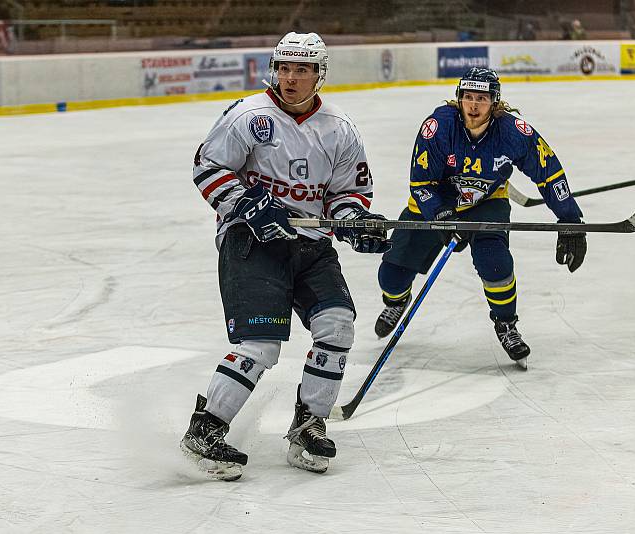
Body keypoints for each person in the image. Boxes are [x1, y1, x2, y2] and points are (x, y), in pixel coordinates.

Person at [182, 31, 390, 481]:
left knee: (337, 325)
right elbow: (207, 167)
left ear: (320, 74)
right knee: (260, 345)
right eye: (285, 68)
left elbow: (346, 194)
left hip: (309, 245)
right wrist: (245, 203)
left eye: (302, 70)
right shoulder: (248, 116)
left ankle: (308, 424)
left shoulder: (340, 128)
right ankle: (205, 429)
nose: (290, 78)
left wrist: (354, 224)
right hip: (252, 242)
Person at [373, 67, 586, 369]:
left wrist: (570, 221)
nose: (473, 106)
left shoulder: (514, 132)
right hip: (435, 205)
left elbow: (549, 172)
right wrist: (442, 216)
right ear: (459, 98)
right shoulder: (438, 127)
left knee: (495, 261)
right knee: (391, 276)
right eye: (468, 97)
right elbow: (421, 184)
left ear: (495, 103)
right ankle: (396, 302)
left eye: (482, 99)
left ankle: (506, 323)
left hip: (488, 203)